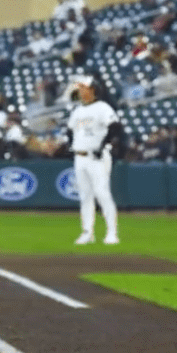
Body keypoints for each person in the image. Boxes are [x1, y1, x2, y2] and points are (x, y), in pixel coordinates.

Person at [66, 76, 123, 245]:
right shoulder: (77, 111)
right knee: (85, 196)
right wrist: (72, 146)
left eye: (84, 87)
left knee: (102, 193)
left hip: (97, 156)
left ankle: (112, 233)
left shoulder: (102, 108)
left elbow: (115, 127)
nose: (81, 90)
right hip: (80, 156)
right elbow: (70, 131)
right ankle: (87, 232)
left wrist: (103, 145)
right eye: (80, 88)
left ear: (93, 90)